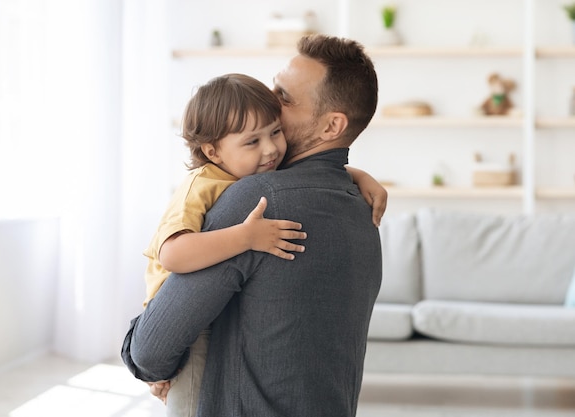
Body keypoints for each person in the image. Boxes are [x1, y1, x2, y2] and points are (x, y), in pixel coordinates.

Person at [123, 34, 384, 416]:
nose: (270, 103)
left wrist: (141, 352)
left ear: (331, 126)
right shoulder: (364, 209)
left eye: (285, 96)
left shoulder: (258, 203)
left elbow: (151, 350)